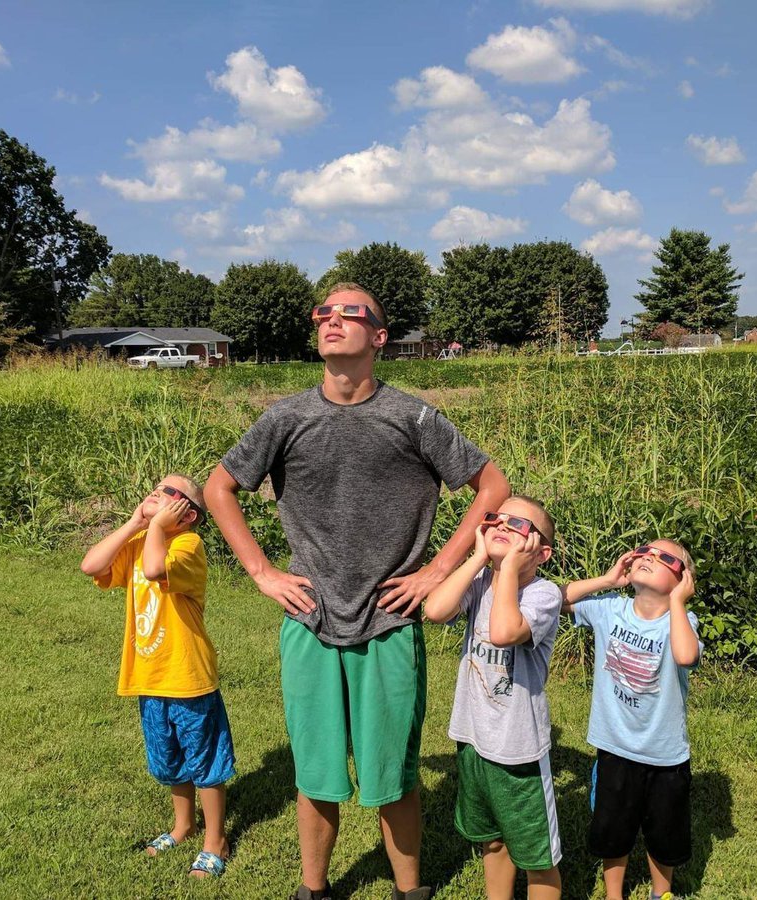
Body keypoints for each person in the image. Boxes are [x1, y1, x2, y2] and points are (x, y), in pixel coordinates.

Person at [204, 283, 510, 900]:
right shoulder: (285, 417)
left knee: (392, 776)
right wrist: (262, 572)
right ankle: (313, 891)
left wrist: (437, 572)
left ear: (380, 337)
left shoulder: (413, 416)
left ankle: (409, 891)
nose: (333, 321)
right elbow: (218, 488)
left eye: (352, 313)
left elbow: (492, 486)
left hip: (389, 623)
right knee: (315, 775)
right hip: (310, 620)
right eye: (325, 313)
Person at [79, 474, 235, 879]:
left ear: (188, 514)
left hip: (188, 678)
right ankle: (183, 826)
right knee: (169, 760)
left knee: (206, 763)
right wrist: (135, 524)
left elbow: (152, 570)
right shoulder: (139, 541)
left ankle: (215, 839)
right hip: (149, 677)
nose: (157, 492)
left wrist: (159, 529)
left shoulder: (188, 545)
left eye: (170, 492)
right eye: (157, 487)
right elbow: (90, 565)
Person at [423, 496, 564, 900]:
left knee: (538, 858)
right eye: (496, 519)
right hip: (473, 737)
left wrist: (507, 571)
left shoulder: (544, 594)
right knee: (492, 839)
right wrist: (478, 557)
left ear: (543, 552)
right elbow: (435, 610)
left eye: (518, 524)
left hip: (518, 750)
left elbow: (503, 631)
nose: (502, 525)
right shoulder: (481, 581)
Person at [562, 540, 701, 900]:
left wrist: (678, 602)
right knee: (614, 828)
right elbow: (556, 598)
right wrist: (607, 581)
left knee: (664, 833)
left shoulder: (682, 620)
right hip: (615, 747)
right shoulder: (610, 609)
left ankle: (661, 892)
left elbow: (686, 656)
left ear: (683, 579)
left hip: (665, 754)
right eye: (644, 550)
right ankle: (614, 894)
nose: (649, 557)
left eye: (665, 558)